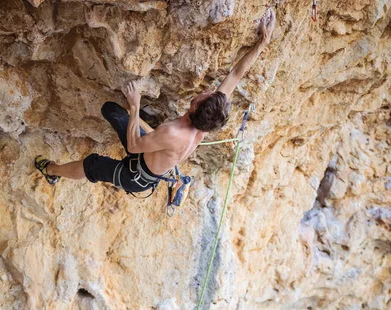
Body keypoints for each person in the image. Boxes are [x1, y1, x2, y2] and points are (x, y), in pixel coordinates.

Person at [35, 8, 276, 194]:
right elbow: (235, 75)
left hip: (136, 176)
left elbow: (133, 146)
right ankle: (146, 134)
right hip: (153, 151)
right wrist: (262, 44)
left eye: (204, 95)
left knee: (93, 165)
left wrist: (135, 104)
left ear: (195, 106)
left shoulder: (173, 132)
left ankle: (51, 171)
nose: (206, 91)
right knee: (110, 110)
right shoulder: (206, 120)